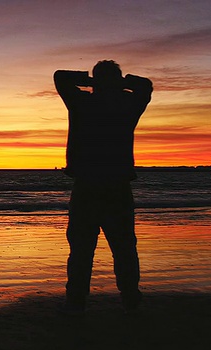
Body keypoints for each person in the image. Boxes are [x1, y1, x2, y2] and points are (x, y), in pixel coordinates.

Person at [54, 60, 153, 315]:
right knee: (123, 247)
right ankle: (130, 299)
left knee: (83, 249)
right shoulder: (127, 104)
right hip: (115, 187)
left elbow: (61, 77)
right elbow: (144, 86)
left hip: (89, 186)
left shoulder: (83, 103)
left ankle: (76, 302)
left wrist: (94, 82)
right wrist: (117, 83)